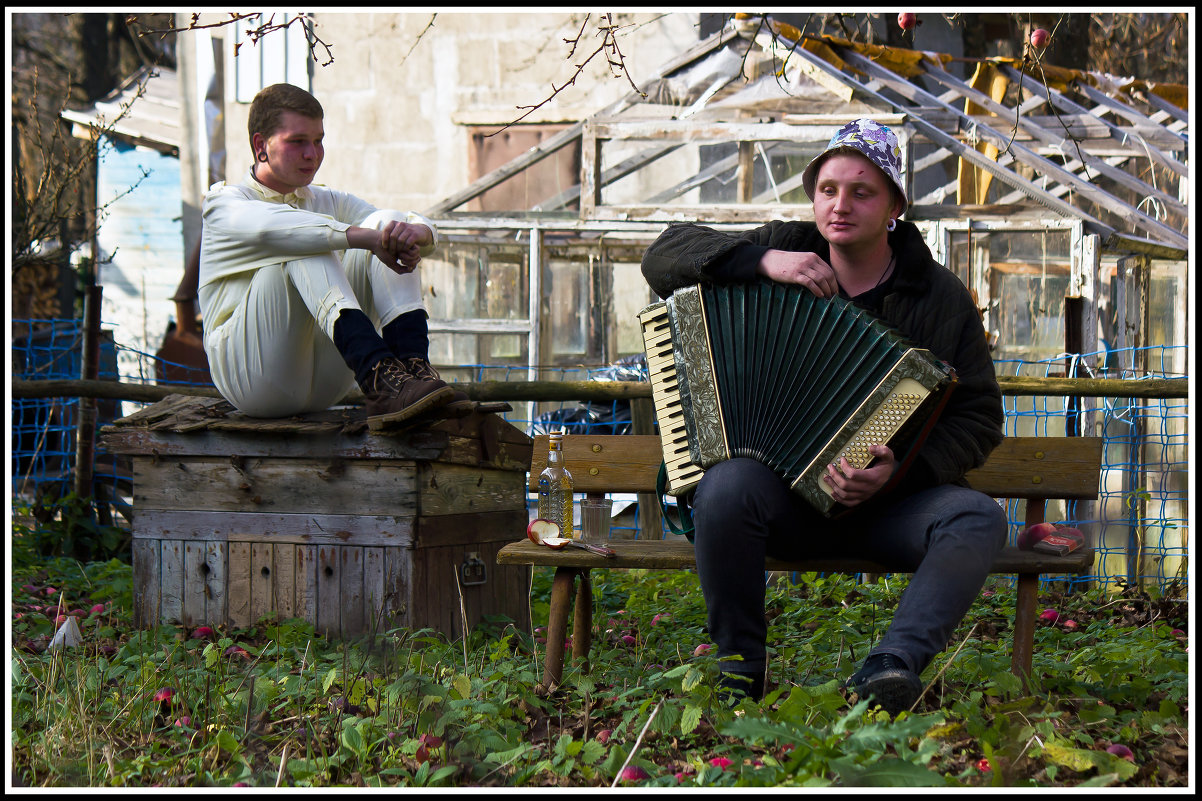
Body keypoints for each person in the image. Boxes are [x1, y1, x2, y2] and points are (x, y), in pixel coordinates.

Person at [640, 119, 1006, 715]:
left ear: (893, 207)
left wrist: (899, 473)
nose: (841, 205)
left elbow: (978, 417)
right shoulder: (781, 244)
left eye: (862, 191)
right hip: (783, 500)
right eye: (828, 189)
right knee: (726, 485)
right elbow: (661, 258)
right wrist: (761, 262)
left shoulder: (938, 295)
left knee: (977, 518)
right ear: (813, 199)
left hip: (888, 509)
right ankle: (739, 677)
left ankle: (890, 666)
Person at [198, 83, 465, 425]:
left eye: (318, 140)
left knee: (387, 221)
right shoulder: (223, 204)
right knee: (305, 238)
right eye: (298, 142)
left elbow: (399, 223)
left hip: (326, 384)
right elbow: (274, 230)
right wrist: (366, 239)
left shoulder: (327, 201)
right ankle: (375, 369)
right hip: (252, 380)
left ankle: (409, 372)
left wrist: (415, 233)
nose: (313, 154)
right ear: (260, 145)